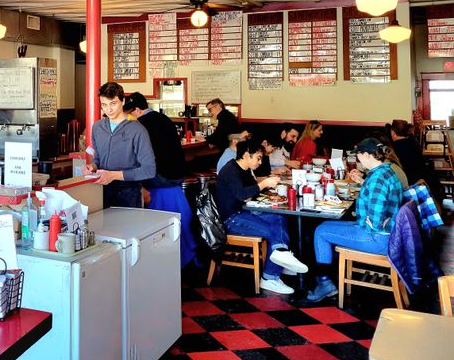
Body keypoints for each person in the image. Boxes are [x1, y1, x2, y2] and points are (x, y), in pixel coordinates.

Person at [307, 138, 403, 301]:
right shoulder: (386, 172)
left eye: (358, 155)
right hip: (388, 236)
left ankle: (324, 283)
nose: (357, 159)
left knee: (321, 232)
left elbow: (376, 219)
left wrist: (366, 219)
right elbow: (380, 196)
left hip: (376, 238)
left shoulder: (377, 179)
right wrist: (363, 182)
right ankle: (329, 276)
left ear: (367, 155)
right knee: (324, 224)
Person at [215, 140, 308, 295]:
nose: (260, 162)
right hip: (231, 219)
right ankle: (269, 277)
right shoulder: (230, 170)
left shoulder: (244, 169)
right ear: (246, 155)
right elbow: (242, 194)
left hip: (246, 212)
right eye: (258, 158)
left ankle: (281, 257)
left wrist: (267, 187)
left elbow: (252, 191)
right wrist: (264, 183)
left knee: (279, 218)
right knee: (272, 231)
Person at [123, 92, 197, 266]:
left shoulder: (141, 125)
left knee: (130, 183)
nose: (129, 116)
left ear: (138, 110)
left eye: (130, 112)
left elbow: (140, 158)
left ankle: (144, 255)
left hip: (160, 179)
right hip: (177, 176)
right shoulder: (163, 119)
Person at [87, 83, 156, 208]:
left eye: (113, 103)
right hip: (100, 194)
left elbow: (149, 170)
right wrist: (93, 166)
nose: (109, 109)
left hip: (128, 195)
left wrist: (113, 175)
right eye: (104, 105)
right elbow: (98, 158)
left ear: (122, 101)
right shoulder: (97, 127)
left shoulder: (137, 130)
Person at [390, 119, 425, 185]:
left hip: (407, 184)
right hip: (420, 182)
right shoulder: (414, 143)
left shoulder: (395, 148)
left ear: (393, 133)